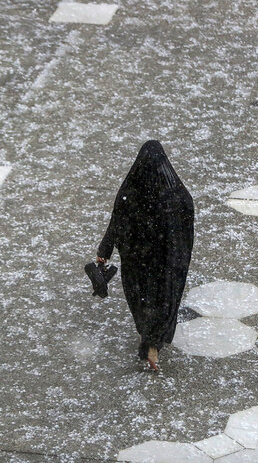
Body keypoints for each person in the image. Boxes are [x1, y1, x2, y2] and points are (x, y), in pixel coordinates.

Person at [96, 140, 194, 372]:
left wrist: (104, 252)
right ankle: (152, 344)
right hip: (165, 261)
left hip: (136, 260)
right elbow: (186, 215)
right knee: (161, 300)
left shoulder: (130, 192)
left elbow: (116, 221)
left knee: (142, 300)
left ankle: (148, 340)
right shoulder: (174, 195)